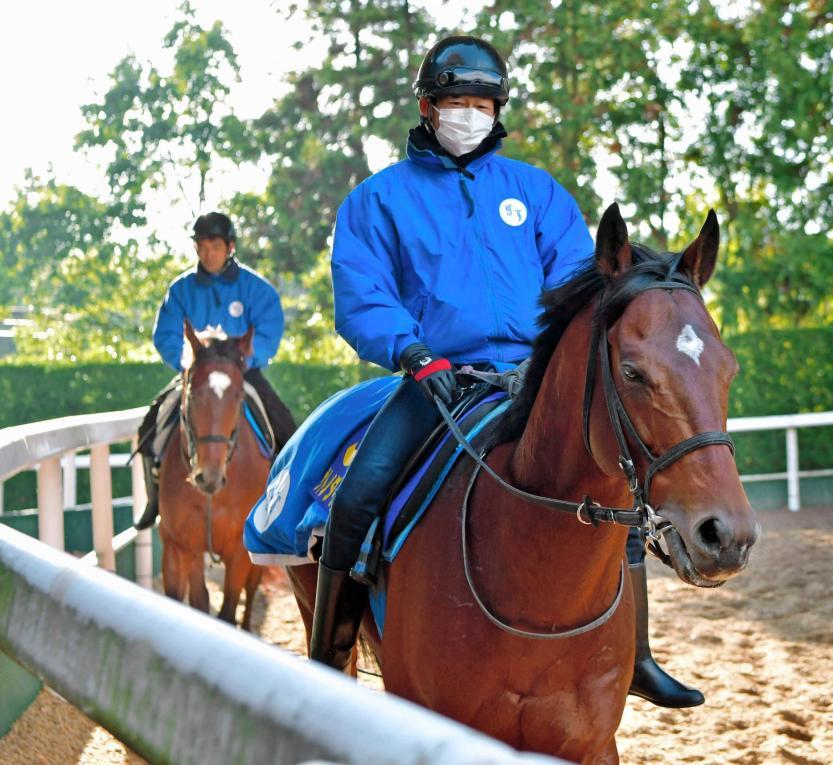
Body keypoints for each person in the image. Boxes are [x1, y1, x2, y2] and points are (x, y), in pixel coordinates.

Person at [315, 35, 702, 708]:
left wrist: (555, 360)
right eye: (455, 101)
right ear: (428, 107)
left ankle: (636, 653)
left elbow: (578, 284)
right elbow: (362, 293)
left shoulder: (538, 193)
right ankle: (326, 661)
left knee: (615, 487)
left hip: (534, 379)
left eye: (482, 102)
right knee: (357, 494)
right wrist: (410, 351)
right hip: (436, 379)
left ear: (498, 110)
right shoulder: (377, 202)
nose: (469, 114)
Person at [134, 212, 297, 530]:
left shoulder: (257, 289)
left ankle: (286, 509)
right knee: (148, 429)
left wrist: (244, 361)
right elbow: (166, 335)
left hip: (244, 374)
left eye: (215, 246)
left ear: (230, 246)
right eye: (202, 246)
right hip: (196, 375)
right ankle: (155, 502)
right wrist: (187, 365)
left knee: (287, 430)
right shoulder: (180, 290)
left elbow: (269, 331)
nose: (208, 253)